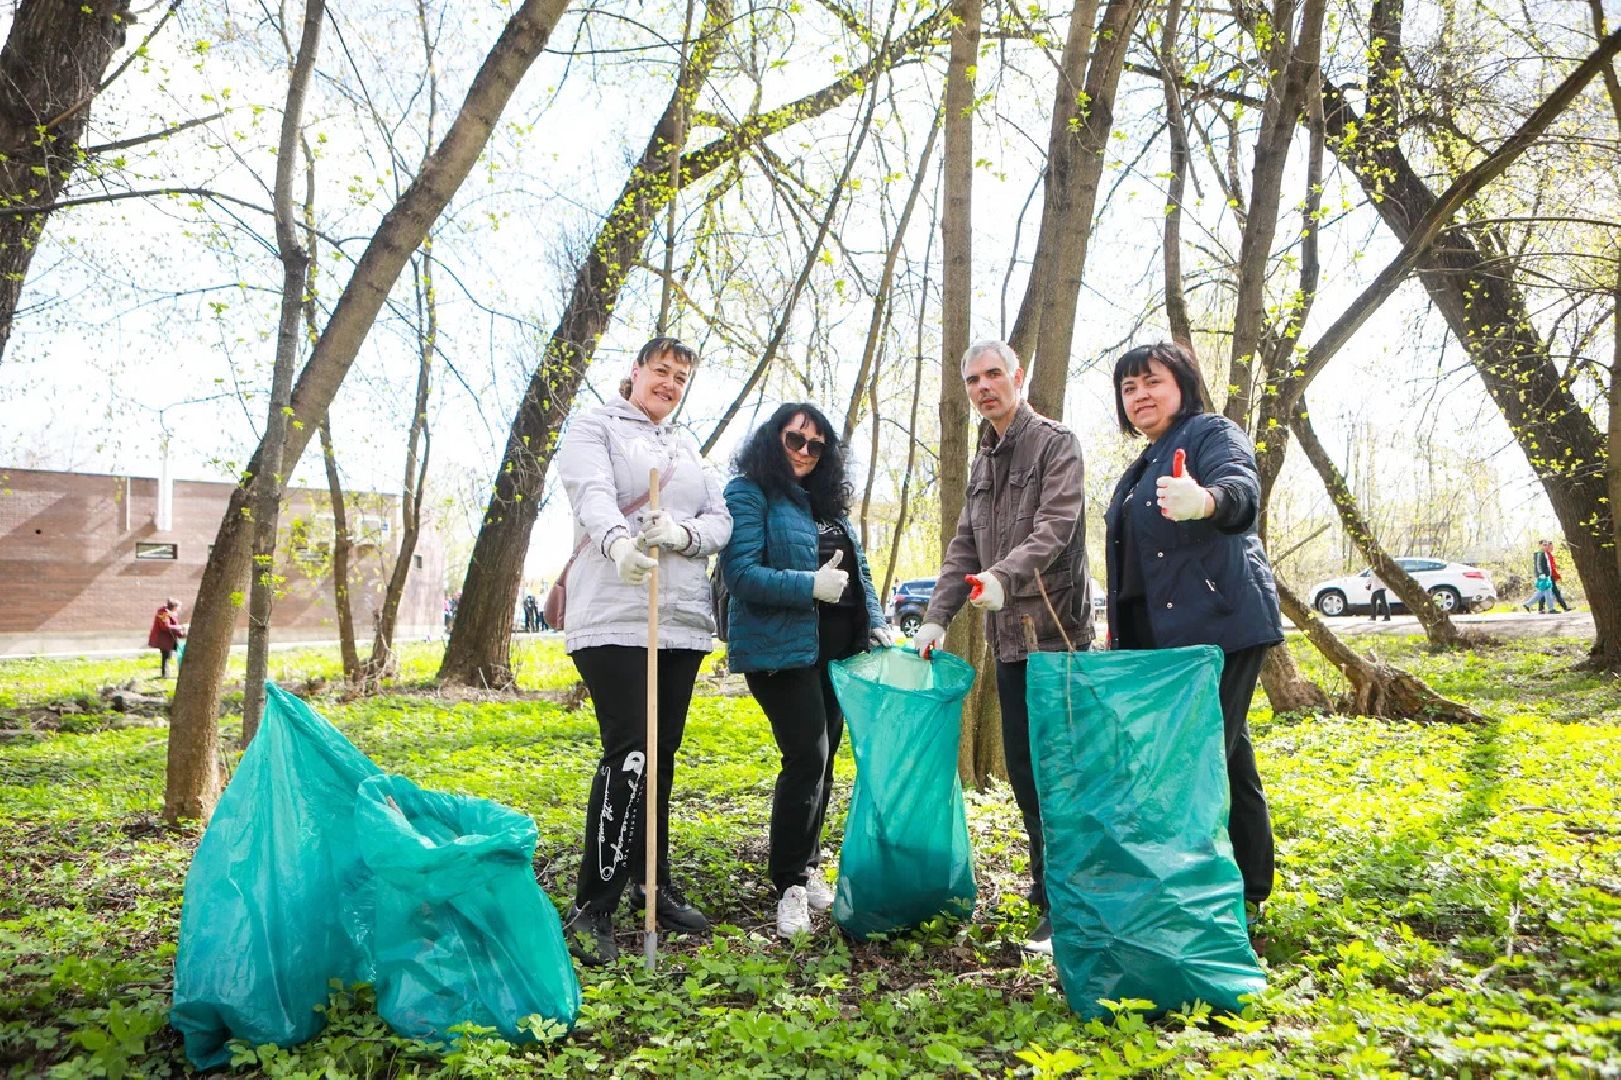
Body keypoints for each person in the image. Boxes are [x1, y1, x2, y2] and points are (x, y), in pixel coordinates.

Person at [552, 336, 733, 966]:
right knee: (630, 751)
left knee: (661, 755)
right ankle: (594, 902)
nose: (671, 383)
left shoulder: (688, 447)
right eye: (662, 370)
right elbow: (591, 493)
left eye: (682, 375)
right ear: (635, 372)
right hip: (614, 613)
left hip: (679, 621)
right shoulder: (595, 426)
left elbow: (721, 520)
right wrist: (617, 544)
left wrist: (682, 533)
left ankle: (651, 885)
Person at [911, 340, 1093, 954]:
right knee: (1023, 772)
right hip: (1007, 642)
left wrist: (1002, 577)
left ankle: (1070, 904)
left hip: (1056, 639)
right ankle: (1051, 893)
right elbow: (965, 543)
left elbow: (1055, 527)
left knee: (1057, 774)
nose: (985, 387)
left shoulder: (1054, 443)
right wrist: (937, 617)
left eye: (994, 375)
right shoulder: (984, 458)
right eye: (973, 380)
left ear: (1018, 376)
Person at [1101, 341, 1283, 926]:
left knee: (1196, 760)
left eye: (1150, 382)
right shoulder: (1143, 463)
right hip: (1165, 637)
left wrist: (1206, 500)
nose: (1139, 396)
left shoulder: (1211, 434)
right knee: (1227, 758)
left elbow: (1241, 493)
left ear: (1182, 384)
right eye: (1128, 389)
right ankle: (1249, 886)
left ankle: (1203, 899)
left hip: (1220, 626)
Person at [719, 403, 897, 939]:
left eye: (815, 446)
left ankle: (809, 863)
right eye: (794, 440)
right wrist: (807, 586)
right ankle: (789, 884)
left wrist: (878, 624)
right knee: (807, 754)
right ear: (773, 439)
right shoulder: (747, 493)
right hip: (780, 649)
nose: (802, 452)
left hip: (837, 651)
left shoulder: (830, 504)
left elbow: (859, 572)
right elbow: (742, 573)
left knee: (825, 761)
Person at [148, 598, 186, 678]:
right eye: (178, 607)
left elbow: (173, 626)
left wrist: (180, 631)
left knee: (173, 654)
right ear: (174, 607)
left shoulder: (171, 613)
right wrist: (180, 627)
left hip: (170, 639)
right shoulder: (163, 613)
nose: (179, 609)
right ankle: (165, 674)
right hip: (163, 639)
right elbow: (165, 626)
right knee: (166, 656)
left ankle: (168, 673)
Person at [1533, 539, 1573, 612]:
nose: (1552, 549)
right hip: (1547, 576)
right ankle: (1561, 607)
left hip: (1550, 576)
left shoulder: (1549, 555)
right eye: (1550, 547)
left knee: (1550, 592)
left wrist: (1556, 576)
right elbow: (1544, 567)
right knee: (1552, 592)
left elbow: (1552, 568)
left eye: (1552, 547)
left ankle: (1542, 608)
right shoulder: (1544, 555)